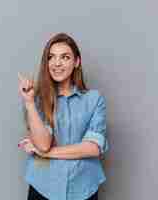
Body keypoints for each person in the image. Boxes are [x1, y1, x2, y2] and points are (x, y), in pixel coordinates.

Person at [17, 33, 109, 200]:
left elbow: (92, 148)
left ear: (76, 62)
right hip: (43, 186)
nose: (57, 63)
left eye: (65, 57)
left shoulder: (94, 99)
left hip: (84, 188)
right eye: (51, 57)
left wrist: (45, 154)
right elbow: (43, 144)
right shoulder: (38, 99)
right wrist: (29, 103)